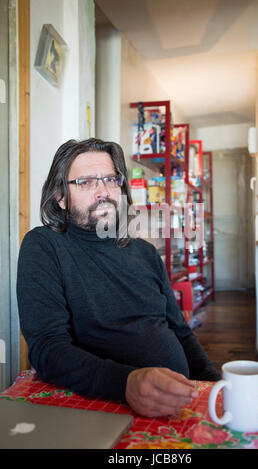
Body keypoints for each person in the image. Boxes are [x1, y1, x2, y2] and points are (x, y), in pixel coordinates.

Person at [17, 138, 220, 418]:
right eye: (86, 182)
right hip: (103, 409)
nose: (103, 192)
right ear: (60, 197)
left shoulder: (146, 253)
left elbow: (181, 333)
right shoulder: (44, 246)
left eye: (110, 179)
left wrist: (216, 386)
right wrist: (126, 383)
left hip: (180, 403)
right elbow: (47, 348)